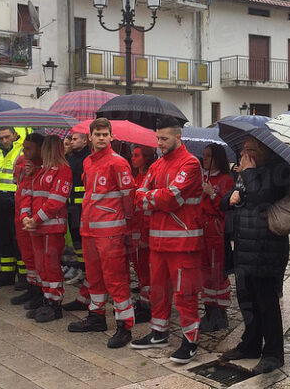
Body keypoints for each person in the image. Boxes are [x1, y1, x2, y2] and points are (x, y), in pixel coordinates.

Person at [220, 135, 290, 374]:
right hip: (244, 246)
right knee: (247, 300)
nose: (244, 154)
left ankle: (273, 352)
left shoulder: (278, 171)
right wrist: (230, 196)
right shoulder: (246, 174)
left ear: (262, 150)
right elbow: (226, 202)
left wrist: (249, 173)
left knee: (267, 302)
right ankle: (250, 343)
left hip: (267, 248)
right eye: (243, 149)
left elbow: (263, 197)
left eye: (250, 149)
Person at [131, 117, 204, 364]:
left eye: (164, 139)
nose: (159, 143)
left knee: (185, 294)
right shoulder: (157, 165)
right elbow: (138, 194)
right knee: (159, 291)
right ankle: (159, 333)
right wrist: (154, 198)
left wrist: (150, 198)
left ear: (178, 138)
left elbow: (172, 197)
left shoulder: (191, 164)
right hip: (158, 242)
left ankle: (191, 340)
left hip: (183, 243)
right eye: (157, 138)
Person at [68, 118, 136, 349]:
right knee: (94, 278)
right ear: (90, 137)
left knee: (116, 280)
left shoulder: (118, 163)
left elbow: (129, 198)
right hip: (89, 231)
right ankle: (96, 317)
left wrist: (126, 226)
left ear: (111, 136)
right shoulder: (87, 162)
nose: (101, 138)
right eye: (97, 134)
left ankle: (124, 326)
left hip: (111, 233)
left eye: (105, 134)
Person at [22, 136, 72, 323]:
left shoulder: (63, 170)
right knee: (41, 264)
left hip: (51, 227)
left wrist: (34, 219)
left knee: (51, 265)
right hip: (37, 227)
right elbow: (28, 194)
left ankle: (55, 302)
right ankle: (46, 297)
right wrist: (25, 217)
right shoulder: (40, 171)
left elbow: (56, 201)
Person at [199, 143, 235, 332]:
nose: (204, 159)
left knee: (216, 271)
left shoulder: (226, 179)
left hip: (216, 230)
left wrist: (212, 193)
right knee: (205, 271)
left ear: (217, 159)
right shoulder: (203, 177)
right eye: (203, 155)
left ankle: (219, 313)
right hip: (202, 230)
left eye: (208, 156)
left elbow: (226, 207)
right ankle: (209, 310)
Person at [0, 127, 26, 287]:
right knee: (1, 238)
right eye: (1, 137)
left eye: (7, 137)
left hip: (15, 198)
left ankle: (24, 276)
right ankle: (6, 273)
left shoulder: (22, 151)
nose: (4, 140)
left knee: (18, 238)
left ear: (15, 135)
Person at [11, 133, 44, 309]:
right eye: (24, 147)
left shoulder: (45, 166)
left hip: (35, 217)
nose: (25, 151)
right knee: (27, 256)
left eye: (29, 148)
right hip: (21, 213)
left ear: (39, 148)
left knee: (38, 257)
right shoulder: (22, 162)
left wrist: (36, 173)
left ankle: (39, 292)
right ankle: (31, 288)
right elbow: (18, 185)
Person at [125, 144, 156, 323]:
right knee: (139, 268)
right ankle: (145, 302)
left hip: (144, 233)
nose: (132, 158)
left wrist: (145, 237)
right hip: (135, 231)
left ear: (145, 157)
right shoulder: (138, 176)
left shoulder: (148, 178)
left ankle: (148, 306)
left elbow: (147, 210)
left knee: (146, 271)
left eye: (136, 155)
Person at [61, 132, 91, 311]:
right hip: (72, 206)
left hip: (83, 208)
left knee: (83, 242)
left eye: (75, 139)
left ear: (85, 140)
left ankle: (86, 271)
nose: (71, 142)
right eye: (70, 139)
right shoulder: (71, 157)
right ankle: (82, 269)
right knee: (77, 242)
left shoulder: (88, 158)